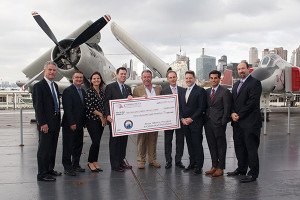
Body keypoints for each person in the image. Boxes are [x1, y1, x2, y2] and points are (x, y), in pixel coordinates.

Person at [227, 61, 262, 183]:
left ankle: (253, 173)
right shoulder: (236, 85)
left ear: (248, 69)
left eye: (243, 68)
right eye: (239, 69)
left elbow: (252, 102)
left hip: (250, 123)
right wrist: (232, 113)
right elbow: (232, 102)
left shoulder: (255, 83)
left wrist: (239, 114)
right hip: (237, 123)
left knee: (251, 149)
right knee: (239, 147)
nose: (241, 71)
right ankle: (241, 169)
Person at [32, 61, 62, 181]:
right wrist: (42, 123)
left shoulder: (55, 86)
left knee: (52, 147)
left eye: (54, 70)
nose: (52, 72)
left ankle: (50, 169)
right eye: (50, 70)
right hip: (46, 123)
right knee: (44, 149)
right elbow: (38, 107)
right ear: (44, 71)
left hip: (55, 121)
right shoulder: (38, 86)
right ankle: (42, 174)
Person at [104, 67, 133, 172]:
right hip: (114, 120)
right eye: (121, 74)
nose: (123, 76)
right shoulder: (110, 87)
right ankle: (115, 165)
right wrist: (107, 115)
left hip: (125, 121)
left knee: (123, 141)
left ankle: (121, 161)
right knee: (114, 143)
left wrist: (131, 97)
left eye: (125, 74)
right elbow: (106, 102)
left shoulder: (128, 88)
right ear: (117, 75)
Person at [204, 70, 231, 177]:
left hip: (219, 123)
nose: (213, 80)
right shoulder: (206, 92)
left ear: (219, 79)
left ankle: (220, 167)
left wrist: (223, 122)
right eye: (211, 78)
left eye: (215, 78)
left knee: (221, 145)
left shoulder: (225, 92)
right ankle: (214, 165)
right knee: (211, 145)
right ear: (209, 79)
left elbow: (227, 108)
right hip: (208, 123)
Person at [133, 70, 162, 169]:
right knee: (141, 140)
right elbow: (133, 103)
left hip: (154, 119)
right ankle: (141, 161)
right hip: (142, 120)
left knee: (153, 139)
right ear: (141, 78)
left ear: (151, 78)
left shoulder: (158, 88)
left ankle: (152, 160)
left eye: (148, 77)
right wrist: (140, 98)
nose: (146, 79)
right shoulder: (137, 89)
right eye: (144, 77)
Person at [179, 70, 206, 175]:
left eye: (190, 78)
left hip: (195, 123)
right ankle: (192, 164)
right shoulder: (183, 92)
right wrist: (182, 119)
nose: (188, 80)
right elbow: (180, 107)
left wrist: (192, 118)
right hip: (185, 123)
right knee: (190, 144)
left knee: (197, 144)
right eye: (186, 78)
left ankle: (199, 166)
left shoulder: (200, 91)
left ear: (194, 78)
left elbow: (201, 107)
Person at [61, 71, 86, 176]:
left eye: (81, 77)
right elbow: (67, 109)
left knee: (78, 145)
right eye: (77, 77)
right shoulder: (68, 91)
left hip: (80, 124)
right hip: (70, 124)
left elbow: (83, 108)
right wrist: (72, 123)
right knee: (68, 146)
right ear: (72, 79)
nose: (79, 79)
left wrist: (84, 122)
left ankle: (76, 164)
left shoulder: (83, 91)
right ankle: (67, 167)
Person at [161, 70, 185, 169]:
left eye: (174, 77)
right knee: (168, 141)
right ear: (167, 79)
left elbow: (185, 106)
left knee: (180, 141)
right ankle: (168, 161)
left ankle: (178, 160)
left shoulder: (183, 90)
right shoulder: (164, 91)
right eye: (170, 77)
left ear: (177, 78)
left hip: (180, 120)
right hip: (169, 121)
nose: (173, 79)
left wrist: (182, 117)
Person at [85, 72, 106, 173]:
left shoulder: (101, 92)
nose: (96, 80)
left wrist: (104, 117)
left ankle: (95, 161)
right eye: (94, 78)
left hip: (100, 121)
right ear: (91, 80)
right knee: (95, 141)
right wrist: (101, 115)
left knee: (97, 142)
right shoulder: (89, 91)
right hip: (92, 120)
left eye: (98, 78)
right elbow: (90, 107)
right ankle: (90, 162)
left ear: (100, 80)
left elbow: (103, 106)